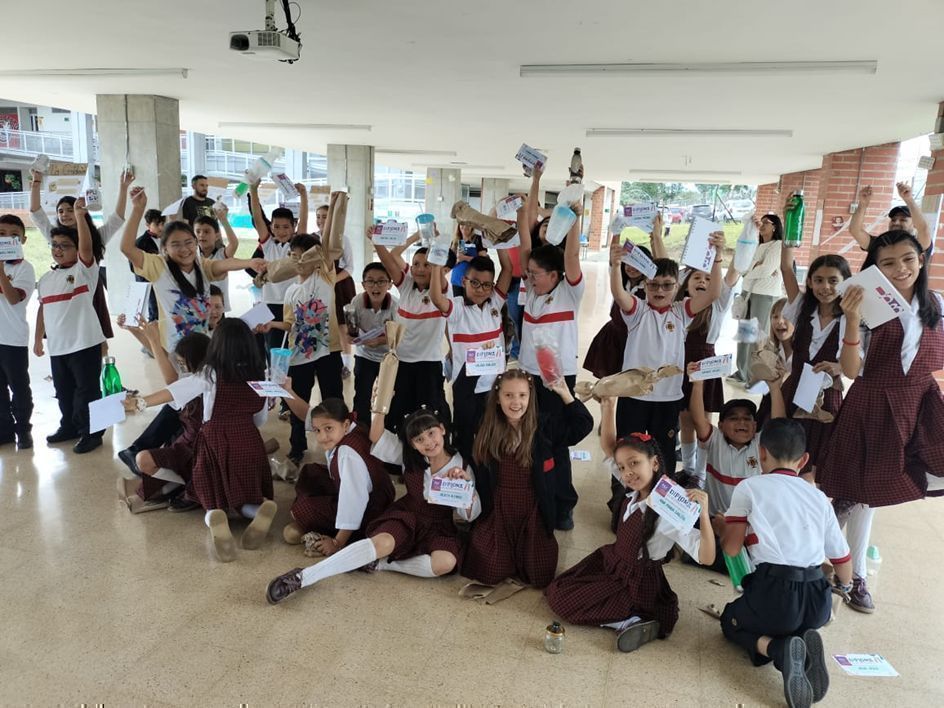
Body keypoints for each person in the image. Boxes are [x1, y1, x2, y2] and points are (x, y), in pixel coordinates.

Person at [818, 230, 944, 614]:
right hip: (873, 404)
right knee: (862, 491)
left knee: (866, 492)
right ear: (874, 268)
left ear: (921, 259)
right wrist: (853, 318)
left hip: (918, 405)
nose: (900, 268)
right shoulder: (864, 303)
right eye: (888, 263)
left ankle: (833, 566)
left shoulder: (936, 303)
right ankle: (850, 575)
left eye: (908, 259)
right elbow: (853, 370)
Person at [265, 407, 479, 604]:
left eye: (431, 433)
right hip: (408, 514)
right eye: (419, 439)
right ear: (412, 444)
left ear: (442, 430)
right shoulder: (410, 456)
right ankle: (303, 577)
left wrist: (464, 487)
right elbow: (377, 437)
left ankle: (381, 564)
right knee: (382, 543)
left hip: (438, 525)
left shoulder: (461, 466)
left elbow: (469, 515)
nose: (428, 443)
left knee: (445, 563)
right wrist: (380, 404)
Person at [546, 411, 715, 653]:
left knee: (566, 605)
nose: (627, 473)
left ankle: (632, 621)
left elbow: (706, 556)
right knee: (558, 589)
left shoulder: (668, 507)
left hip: (637, 581)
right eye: (623, 467)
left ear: (655, 463)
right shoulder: (635, 489)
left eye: (635, 463)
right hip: (613, 563)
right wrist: (610, 405)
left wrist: (704, 515)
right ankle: (628, 617)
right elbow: (608, 447)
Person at [720, 418, 852, 708]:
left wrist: (724, 526)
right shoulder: (819, 498)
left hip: (775, 592)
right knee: (788, 621)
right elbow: (843, 564)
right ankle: (801, 639)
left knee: (731, 621)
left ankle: (780, 651)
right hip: (818, 600)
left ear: (762, 452)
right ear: (803, 460)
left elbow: (730, 549)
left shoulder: (749, 487)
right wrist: (845, 585)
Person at [123, 318, 277, 562]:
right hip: (249, 441)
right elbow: (259, 419)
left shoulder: (211, 373)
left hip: (216, 440)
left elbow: (176, 390)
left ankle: (215, 517)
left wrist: (141, 402)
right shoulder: (260, 376)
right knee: (247, 493)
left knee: (210, 495)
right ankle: (259, 510)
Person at [606, 235, 724, 526]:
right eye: (653, 284)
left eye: (667, 285)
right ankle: (622, 509)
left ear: (677, 287)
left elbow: (712, 294)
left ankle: (660, 514)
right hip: (633, 397)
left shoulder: (681, 311)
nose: (659, 290)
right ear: (644, 285)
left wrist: (718, 256)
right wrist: (615, 264)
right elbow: (618, 292)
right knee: (626, 453)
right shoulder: (636, 310)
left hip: (668, 399)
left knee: (664, 458)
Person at [462, 370, 593, 589]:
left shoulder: (544, 427)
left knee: (540, 573)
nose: (516, 402)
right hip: (500, 508)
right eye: (509, 395)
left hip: (533, 509)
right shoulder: (486, 428)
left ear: (530, 397)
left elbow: (583, 425)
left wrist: (565, 393)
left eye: (522, 395)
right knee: (489, 569)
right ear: (497, 398)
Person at [516, 164, 585, 530]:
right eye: (529, 274)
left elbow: (571, 257)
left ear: (554, 276)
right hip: (529, 378)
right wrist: (536, 181)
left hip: (558, 381)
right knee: (530, 439)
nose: (528, 279)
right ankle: (535, 496)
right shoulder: (532, 291)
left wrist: (574, 217)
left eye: (536, 274)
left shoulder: (569, 293)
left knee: (557, 441)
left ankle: (563, 504)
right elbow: (527, 236)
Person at [120, 187, 266, 356]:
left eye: (189, 242)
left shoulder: (201, 265)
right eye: (175, 244)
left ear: (195, 243)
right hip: (175, 351)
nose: (184, 249)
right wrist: (137, 209)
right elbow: (126, 248)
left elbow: (224, 264)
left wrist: (250, 262)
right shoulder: (159, 265)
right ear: (165, 248)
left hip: (203, 346)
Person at [688, 371, 785, 572]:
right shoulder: (714, 440)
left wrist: (775, 389)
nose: (741, 423)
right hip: (713, 519)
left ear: (755, 426)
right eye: (734, 419)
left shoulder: (760, 444)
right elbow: (698, 420)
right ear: (721, 426)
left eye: (747, 419)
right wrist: (697, 385)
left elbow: (778, 427)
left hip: (747, 525)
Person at [261, 234, 342, 465]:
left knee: (333, 399)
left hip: (329, 351)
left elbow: (326, 249)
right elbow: (289, 323)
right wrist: (271, 324)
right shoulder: (290, 291)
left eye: (304, 256)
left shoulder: (325, 275)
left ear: (315, 258)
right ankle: (298, 446)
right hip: (299, 355)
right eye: (294, 256)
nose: (299, 261)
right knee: (297, 399)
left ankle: (338, 444)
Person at [278, 395, 395, 553]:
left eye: (328, 429)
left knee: (304, 508)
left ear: (345, 425)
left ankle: (321, 530)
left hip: (371, 509)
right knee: (310, 472)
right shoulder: (352, 426)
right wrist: (287, 390)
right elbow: (309, 415)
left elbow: (354, 501)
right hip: (377, 491)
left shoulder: (347, 454)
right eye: (317, 430)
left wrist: (337, 542)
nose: (322, 437)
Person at [30, 167, 134, 343]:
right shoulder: (53, 234)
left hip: (89, 291)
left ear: (81, 211)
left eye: (70, 210)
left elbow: (116, 219)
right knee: (66, 336)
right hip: (64, 290)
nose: (64, 214)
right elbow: (36, 214)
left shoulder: (96, 236)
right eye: (60, 211)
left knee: (97, 342)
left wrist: (123, 188)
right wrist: (36, 182)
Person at [34, 198, 105, 453]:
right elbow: (43, 308)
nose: (58, 249)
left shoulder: (85, 271)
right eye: (54, 245)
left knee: (87, 391)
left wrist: (80, 216)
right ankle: (69, 426)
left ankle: (92, 432)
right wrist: (37, 339)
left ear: (77, 250)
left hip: (84, 343)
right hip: (58, 346)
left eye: (65, 245)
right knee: (63, 391)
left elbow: (87, 247)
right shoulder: (46, 278)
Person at [429, 253, 513, 460]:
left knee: (491, 433)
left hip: (493, 385)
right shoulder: (457, 307)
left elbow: (508, 269)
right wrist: (436, 267)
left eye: (486, 285)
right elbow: (437, 299)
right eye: (474, 283)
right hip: (466, 385)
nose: (480, 289)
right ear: (464, 281)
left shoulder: (494, 304)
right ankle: (466, 472)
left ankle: (488, 474)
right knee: (465, 434)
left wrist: (499, 240)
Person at [118, 330, 210, 513]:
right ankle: (179, 485)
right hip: (192, 442)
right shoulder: (205, 376)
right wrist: (149, 337)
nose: (182, 368)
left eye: (183, 364)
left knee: (145, 459)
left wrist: (138, 403)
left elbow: (170, 387)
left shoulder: (201, 382)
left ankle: (188, 486)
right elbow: (171, 385)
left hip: (199, 448)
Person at [777, 248, 850, 479]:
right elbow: (786, 268)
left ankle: (809, 508)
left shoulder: (851, 318)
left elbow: (860, 361)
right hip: (794, 392)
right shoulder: (801, 308)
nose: (825, 287)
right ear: (809, 282)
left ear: (846, 282)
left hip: (826, 400)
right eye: (818, 280)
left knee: (817, 464)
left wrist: (839, 367)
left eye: (833, 281)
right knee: (787, 459)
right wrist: (790, 223)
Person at [372, 234, 450, 431]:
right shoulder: (406, 286)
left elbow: (437, 280)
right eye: (416, 264)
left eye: (427, 265)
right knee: (398, 411)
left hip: (429, 364)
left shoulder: (441, 291)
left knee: (430, 414)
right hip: (402, 362)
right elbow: (389, 260)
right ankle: (398, 456)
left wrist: (437, 249)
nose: (421, 269)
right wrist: (376, 240)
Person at [677, 256, 742, 480]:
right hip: (682, 364)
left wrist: (719, 255)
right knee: (684, 420)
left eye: (707, 278)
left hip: (706, 365)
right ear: (685, 282)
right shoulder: (679, 307)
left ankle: (702, 471)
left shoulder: (718, 304)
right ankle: (687, 468)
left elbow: (733, 273)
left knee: (702, 421)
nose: (702, 281)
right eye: (696, 277)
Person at [583, 220, 666, 379]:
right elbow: (613, 256)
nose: (631, 268)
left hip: (637, 341)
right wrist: (617, 230)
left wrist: (656, 237)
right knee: (608, 385)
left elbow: (662, 267)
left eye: (637, 264)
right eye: (628, 263)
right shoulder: (619, 279)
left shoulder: (651, 286)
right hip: (613, 337)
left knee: (632, 383)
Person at [250, 181, 308, 353]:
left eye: (286, 227)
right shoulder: (268, 244)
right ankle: (274, 377)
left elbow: (304, 220)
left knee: (295, 347)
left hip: (292, 303)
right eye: (276, 227)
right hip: (269, 303)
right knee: (272, 348)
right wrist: (253, 190)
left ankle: (292, 378)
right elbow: (257, 216)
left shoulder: (297, 245)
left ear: (293, 227)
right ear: (271, 227)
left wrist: (304, 196)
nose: (281, 231)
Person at [733, 214, 784, 383]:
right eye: (760, 222)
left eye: (766, 222)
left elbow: (766, 270)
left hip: (765, 294)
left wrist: (749, 270)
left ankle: (755, 376)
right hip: (748, 292)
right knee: (745, 334)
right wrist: (753, 268)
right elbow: (743, 263)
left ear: (775, 226)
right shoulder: (757, 244)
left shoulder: (778, 245)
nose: (761, 225)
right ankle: (742, 371)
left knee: (757, 336)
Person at [0, 214, 36, 450]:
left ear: (23, 240)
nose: (7, 240)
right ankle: (4, 429)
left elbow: (13, 298)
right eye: (2, 235)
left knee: (19, 386)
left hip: (13, 339)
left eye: (14, 235)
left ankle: (23, 429)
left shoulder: (25, 268)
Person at [349, 262, 398, 423]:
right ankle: (360, 428)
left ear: (390, 284)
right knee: (362, 394)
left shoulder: (395, 306)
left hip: (388, 357)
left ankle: (388, 429)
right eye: (370, 281)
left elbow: (399, 336)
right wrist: (351, 337)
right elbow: (351, 329)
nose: (375, 286)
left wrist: (380, 341)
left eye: (381, 281)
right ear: (363, 284)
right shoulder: (356, 303)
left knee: (389, 395)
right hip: (365, 355)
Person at [850, 182, 932, 256]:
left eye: (903, 220)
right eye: (893, 219)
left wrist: (909, 199)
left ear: (914, 224)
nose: (896, 222)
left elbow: (924, 229)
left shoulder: (918, 244)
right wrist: (863, 204)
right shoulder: (880, 243)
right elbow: (855, 230)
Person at [193, 207, 239, 311]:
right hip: (198, 308)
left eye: (206, 231)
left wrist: (224, 220)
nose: (201, 235)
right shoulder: (192, 255)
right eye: (198, 231)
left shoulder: (222, 254)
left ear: (217, 236)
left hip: (219, 307)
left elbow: (234, 243)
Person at [449, 224, 487, 297]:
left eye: (468, 224)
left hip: (472, 281)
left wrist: (465, 258)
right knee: (459, 306)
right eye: (462, 224)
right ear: (458, 225)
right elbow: (450, 264)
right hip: (457, 280)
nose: (465, 226)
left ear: (472, 226)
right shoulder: (456, 242)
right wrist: (457, 259)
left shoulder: (477, 239)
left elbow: (483, 261)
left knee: (471, 306)